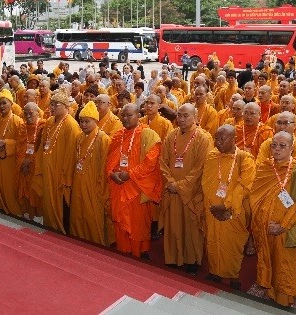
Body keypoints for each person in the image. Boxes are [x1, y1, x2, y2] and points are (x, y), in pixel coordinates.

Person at [250, 131, 296, 306]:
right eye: (274, 145)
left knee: (286, 265)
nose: (277, 149)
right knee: (269, 260)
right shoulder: (264, 167)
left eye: (282, 146)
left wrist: (284, 225)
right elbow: (254, 195)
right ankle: (271, 290)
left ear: (291, 148)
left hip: (286, 229)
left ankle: (285, 298)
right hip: (265, 229)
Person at [159, 103, 211, 273]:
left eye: (185, 116)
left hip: (191, 193)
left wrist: (180, 186)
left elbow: (201, 168)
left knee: (191, 227)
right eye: (179, 115)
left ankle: (192, 260)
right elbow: (163, 162)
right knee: (173, 225)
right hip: (172, 188)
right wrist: (170, 182)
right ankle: (173, 257)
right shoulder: (171, 136)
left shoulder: (203, 138)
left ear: (195, 117)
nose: (181, 119)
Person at [106, 103, 163, 258]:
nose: (125, 118)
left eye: (129, 115)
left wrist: (129, 174)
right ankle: (123, 249)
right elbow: (110, 160)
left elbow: (150, 163)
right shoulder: (118, 135)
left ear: (139, 116)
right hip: (119, 184)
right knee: (120, 220)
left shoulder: (148, 135)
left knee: (138, 222)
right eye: (123, 115)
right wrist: (111, 173)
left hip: (137, 186)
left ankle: (140, 251)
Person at [202, 125, 255, 289]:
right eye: (216, 138)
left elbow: (245, 185)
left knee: (232, 243)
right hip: (212, 208)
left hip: (233, 210)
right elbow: (205, 182)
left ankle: (233, 275)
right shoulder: (211, 156)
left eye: (222, 139)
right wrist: (213, 205)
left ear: (233, 139)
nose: (217, 143)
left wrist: (226, 206)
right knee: (212, 241)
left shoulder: (245, 159)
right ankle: (215, 272)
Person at [35, 89, 80, 232]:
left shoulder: (71, 125)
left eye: (56, 105)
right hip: (48, 172)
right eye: (51, 104)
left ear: (66, 106)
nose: (51, 108)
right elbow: (43, 146)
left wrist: (64, 178)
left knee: (60, 208)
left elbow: (71, 156)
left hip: (60, 177)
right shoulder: (49, 122)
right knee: (48, 204)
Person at [69, 101, 113, 246]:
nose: (83, 125)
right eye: (81, 121)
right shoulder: (79, 137)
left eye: (87, 121)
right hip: (79, 181)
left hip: (94, 185)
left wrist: (100, 187)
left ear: (95, 121)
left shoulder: (103, 139)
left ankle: (96, 245)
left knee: (92, 216)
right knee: (77, 215)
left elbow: (106, 167)